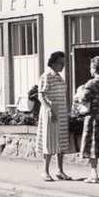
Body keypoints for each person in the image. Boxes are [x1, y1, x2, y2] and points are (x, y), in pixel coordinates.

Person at [36, 51, 71, 181]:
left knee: (61, 141)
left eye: (64, 63)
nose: (63, 66)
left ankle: (60, 170)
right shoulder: (46, 76)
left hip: (61, 112)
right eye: (60, 63)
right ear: (54, 63)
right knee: (49, 141)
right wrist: (49, 109)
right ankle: (45, 171)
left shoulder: (58, 77)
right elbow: (41, 95)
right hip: (50, 112)